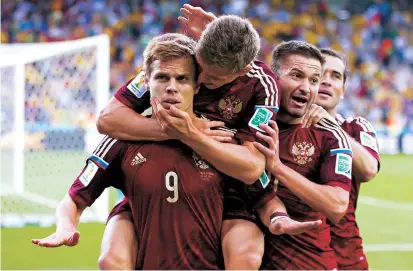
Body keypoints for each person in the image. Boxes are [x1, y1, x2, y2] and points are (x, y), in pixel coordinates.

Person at [30, 33, 273, 269]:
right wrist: (65, 226)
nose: (171, 88)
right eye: (162, 78)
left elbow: (261, 197)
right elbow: (74, 198)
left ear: (198, 86)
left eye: (182, 79)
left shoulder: (220, 140)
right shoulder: (122, 140)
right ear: (146, 81)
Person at [96, 8, 282, 270]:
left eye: (213, 78)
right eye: (199, 70)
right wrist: (174, 130)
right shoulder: (181, 60)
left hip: (223, 188)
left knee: (246, 256)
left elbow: (252, 168)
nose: (201, 80)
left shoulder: (262, 86)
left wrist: (192, 136)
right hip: (157, 182)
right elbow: (107, 119)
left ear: (242, 71)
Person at [252, 40, 354, 270]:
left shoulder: (330, 136)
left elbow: (337, 206)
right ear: (274, 79)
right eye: (296, 76)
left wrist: (277, 167)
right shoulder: (252, 124)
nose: (306, 87)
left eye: (313, 80)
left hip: (307, 263)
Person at [300, 48, 380, 270]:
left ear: (343, 90)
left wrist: (329, 124)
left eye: (335, 76)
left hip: (346, 254)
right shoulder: (284, 127)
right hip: (296, 254)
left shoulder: (356, 127)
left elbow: (369, 169)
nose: (327, 81)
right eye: (321, 74)